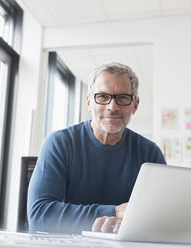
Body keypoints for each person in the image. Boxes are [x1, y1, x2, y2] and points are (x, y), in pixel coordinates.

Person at [27, 62, 166, 234]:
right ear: (89, 102)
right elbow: (40, 217)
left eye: (122, 98)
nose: (112, 107)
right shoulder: (60, 143)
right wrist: (115, 212)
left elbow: (162, 216)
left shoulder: (150, 153)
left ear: (135, 105)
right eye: (102, 96)